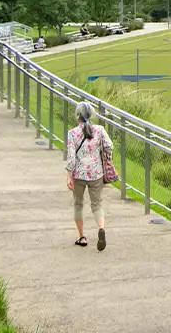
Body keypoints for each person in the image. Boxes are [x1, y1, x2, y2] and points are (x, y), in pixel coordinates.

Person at [65, 101, 113, 251]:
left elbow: (71, 157)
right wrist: (107, 157)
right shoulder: (99, 130)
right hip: (96, 172)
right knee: (97, 205)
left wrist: (69, 175)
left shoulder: (73, 133)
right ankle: (101, 229)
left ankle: (82, 237)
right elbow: (109, 146)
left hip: (79, 174)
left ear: (78, 116)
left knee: (78, 204)